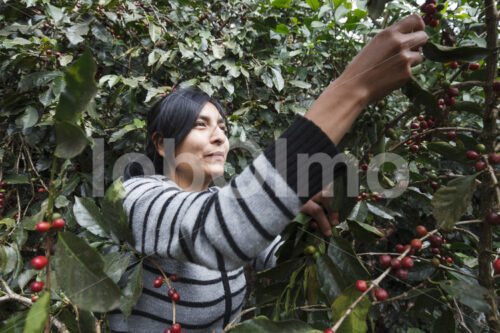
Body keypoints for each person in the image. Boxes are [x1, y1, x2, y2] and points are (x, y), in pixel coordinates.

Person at [107, 14, 428, 333]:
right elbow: (222, 231)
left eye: (222, 126)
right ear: (162, 144)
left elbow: (278, 256)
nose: (219, 136)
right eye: (200, 125)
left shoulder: (223, 199)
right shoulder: (134, 199)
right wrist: (353, 88)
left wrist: (305, 221)